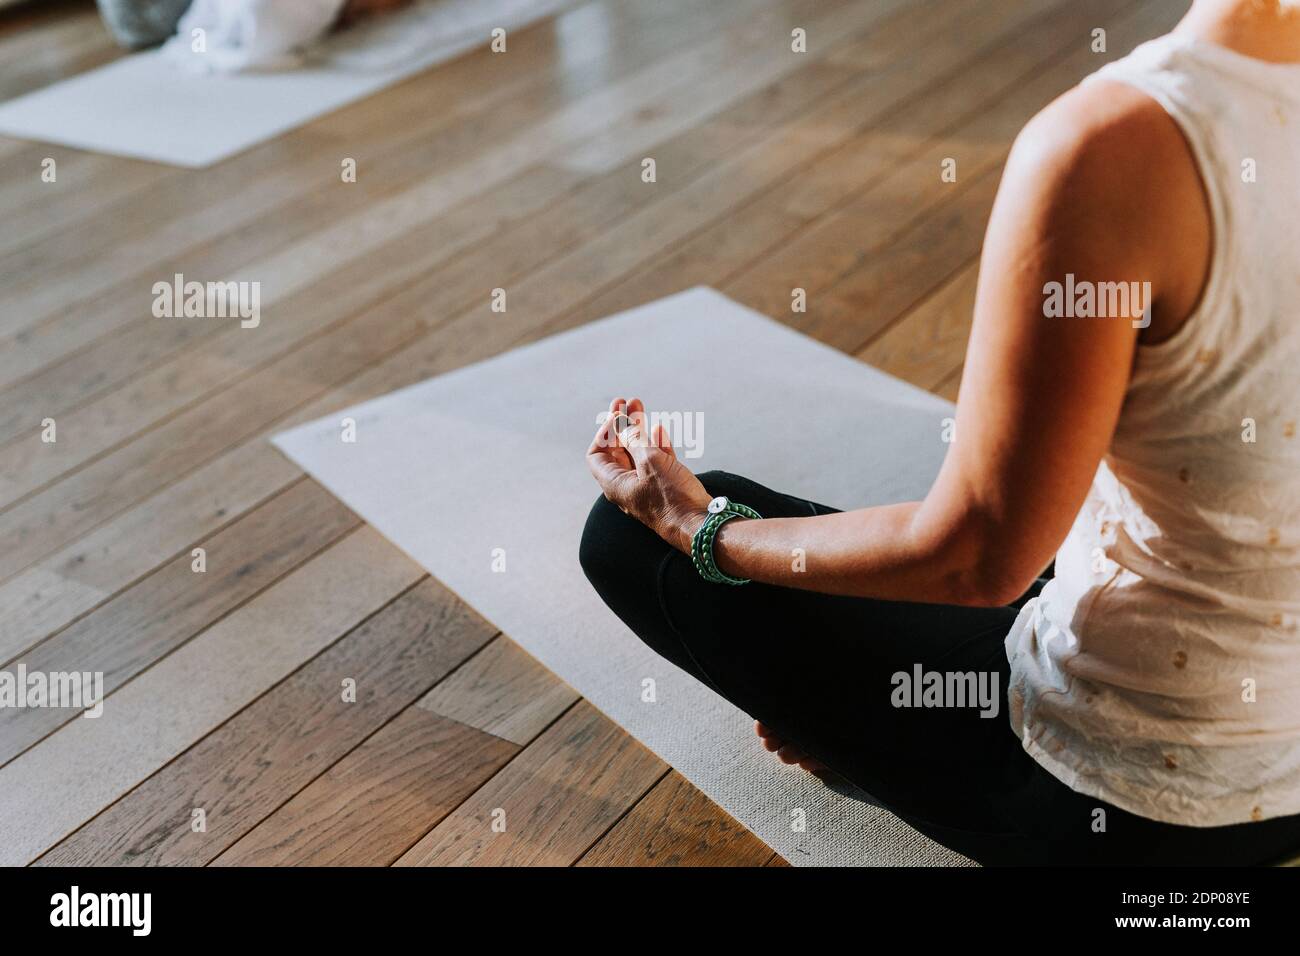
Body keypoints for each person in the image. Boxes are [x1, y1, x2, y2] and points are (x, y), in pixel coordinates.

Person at [580, 0, 1300, 865]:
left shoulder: (1115, 147)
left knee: (635, 540)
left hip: (1150, 811)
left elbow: (975, 558)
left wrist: (693, 527)